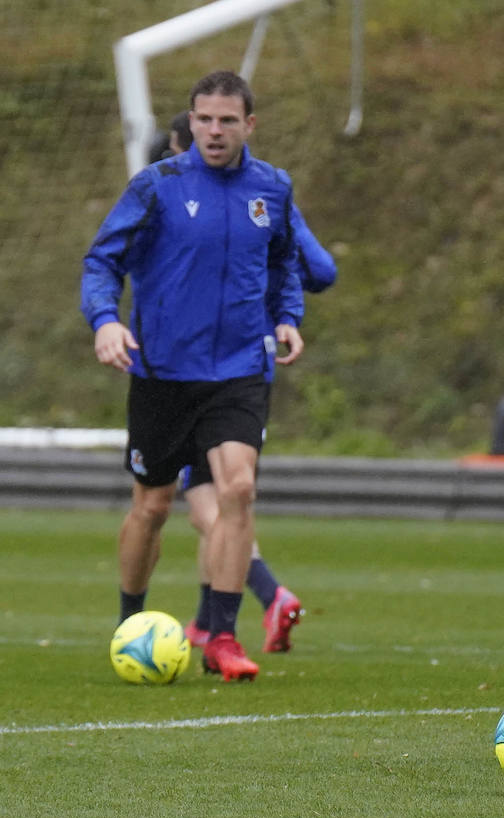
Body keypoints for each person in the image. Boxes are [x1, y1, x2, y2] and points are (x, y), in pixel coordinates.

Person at [81, 70, 305, 682]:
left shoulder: (272, 188)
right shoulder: (157, 185)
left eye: (227, 120)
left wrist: (287, 318)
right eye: (204, 119)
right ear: (191, 121)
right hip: (163, 370)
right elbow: (101, 261)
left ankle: (222, 638)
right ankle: (130, 621)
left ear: (249, 125)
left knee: (238, 489)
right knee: (152, 505)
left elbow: (286, 263)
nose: (214, 130)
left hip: (239, 368)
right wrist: (105, 321)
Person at [154, 110, 338, 654]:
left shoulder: (253, 200)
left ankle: (267, 594)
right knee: (218, 497)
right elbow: (321, 269)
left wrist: (264, 286)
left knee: (210, 503)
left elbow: (315, 269)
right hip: (243, 366)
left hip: (212, 367)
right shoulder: (257, 195)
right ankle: (206, 620)